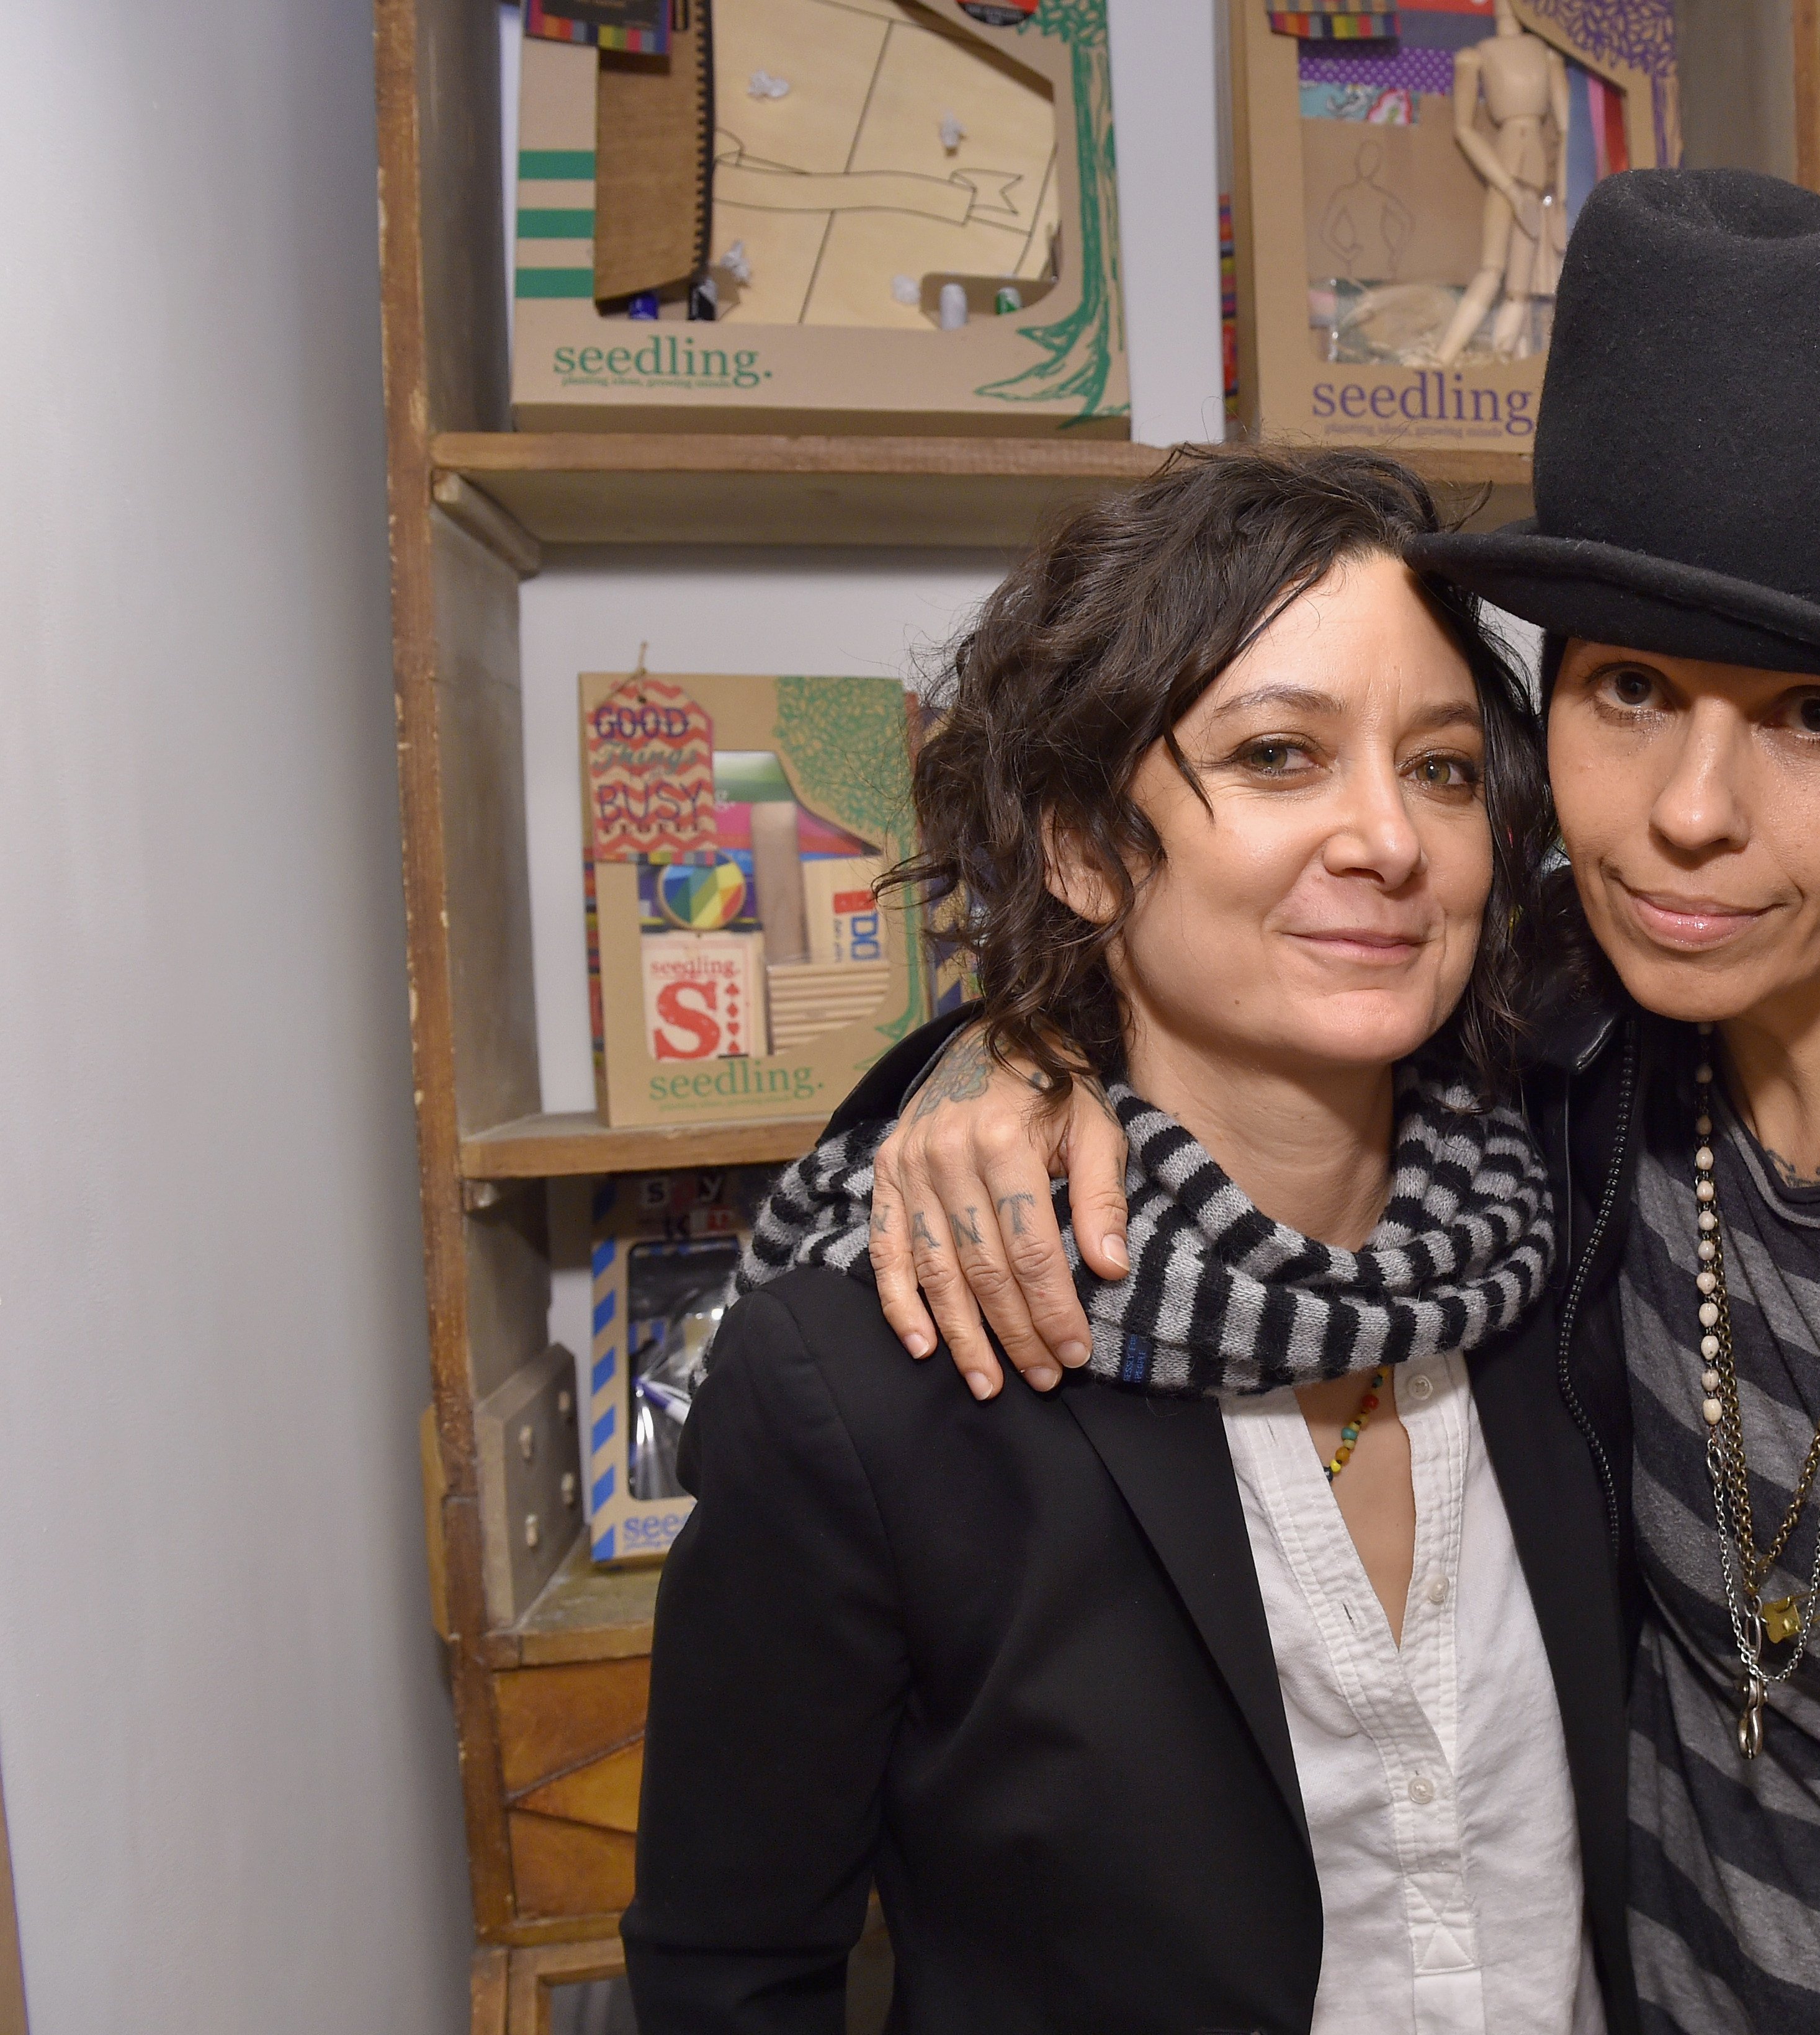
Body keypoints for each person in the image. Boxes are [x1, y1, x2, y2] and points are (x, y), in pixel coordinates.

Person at [866, 173, 1820, 2033]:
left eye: (1811, 719)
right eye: (1627, 691)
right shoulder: (1560, 1025)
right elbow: (1216, 969)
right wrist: (999, 1058)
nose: (1689, 811)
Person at [624, 447, 1639, 2034]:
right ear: (1087, 847)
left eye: (1441, 769)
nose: (1388, 838)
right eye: (1283, 753)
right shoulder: (877, 1377)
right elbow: (728, 1970)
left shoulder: (1573, 1247)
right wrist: (996, 1045)